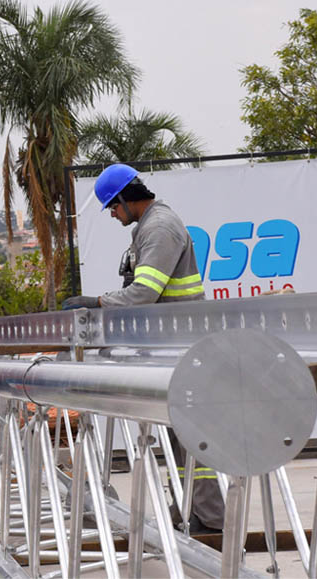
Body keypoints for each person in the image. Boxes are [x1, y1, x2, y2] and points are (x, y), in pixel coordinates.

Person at [62, 163, 224, 534]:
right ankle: (190, 510)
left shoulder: (160, 228)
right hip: (169, 346)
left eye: (112, 207)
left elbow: (145, 293)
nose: (113, 215)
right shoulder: (147, 228)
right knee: (178, 438)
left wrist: (98, 303)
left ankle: (211, 519)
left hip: (182, 346)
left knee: (192, 436)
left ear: (125, 197)